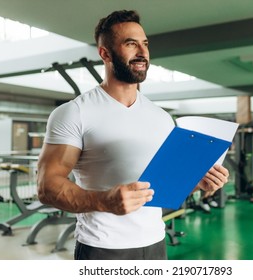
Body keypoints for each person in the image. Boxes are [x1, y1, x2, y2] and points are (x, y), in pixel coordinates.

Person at [37, 10, 229, 260]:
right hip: (102, 247)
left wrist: (197, 183)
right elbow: (47, 186)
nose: (142, 52)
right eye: (131, 44)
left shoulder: (161, 117)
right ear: (105, 53)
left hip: (155, 243)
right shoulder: (74, 112)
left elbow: (163, 186)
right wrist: (103, 201)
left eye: (145, 44)